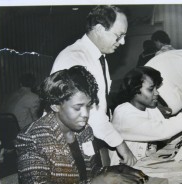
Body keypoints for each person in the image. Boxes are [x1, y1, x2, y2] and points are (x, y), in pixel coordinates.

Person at [15, 66, 147, 184]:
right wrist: (106, 180)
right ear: (55, 106)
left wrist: (115, 170)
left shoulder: (84, 131)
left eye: (88, 106)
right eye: (78, 108)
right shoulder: (32, 138)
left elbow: (88, 174)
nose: (85, 114)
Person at [50, 6, 136, 166]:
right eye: (119, 36)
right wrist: (120, 144)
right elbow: (91, 114)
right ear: (98, 29)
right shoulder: (74, 58)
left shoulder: (98, 57)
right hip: (65, 146)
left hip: (87, 137)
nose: (122, 42)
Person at [111, 66, 182, 163]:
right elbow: (164, 131)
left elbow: (171, 134)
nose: (157, 93)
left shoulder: (151, 109)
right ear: (134, 90)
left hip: (145, 164)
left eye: (156, 88)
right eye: (151, 89)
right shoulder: (123, 113)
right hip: (123, 171)